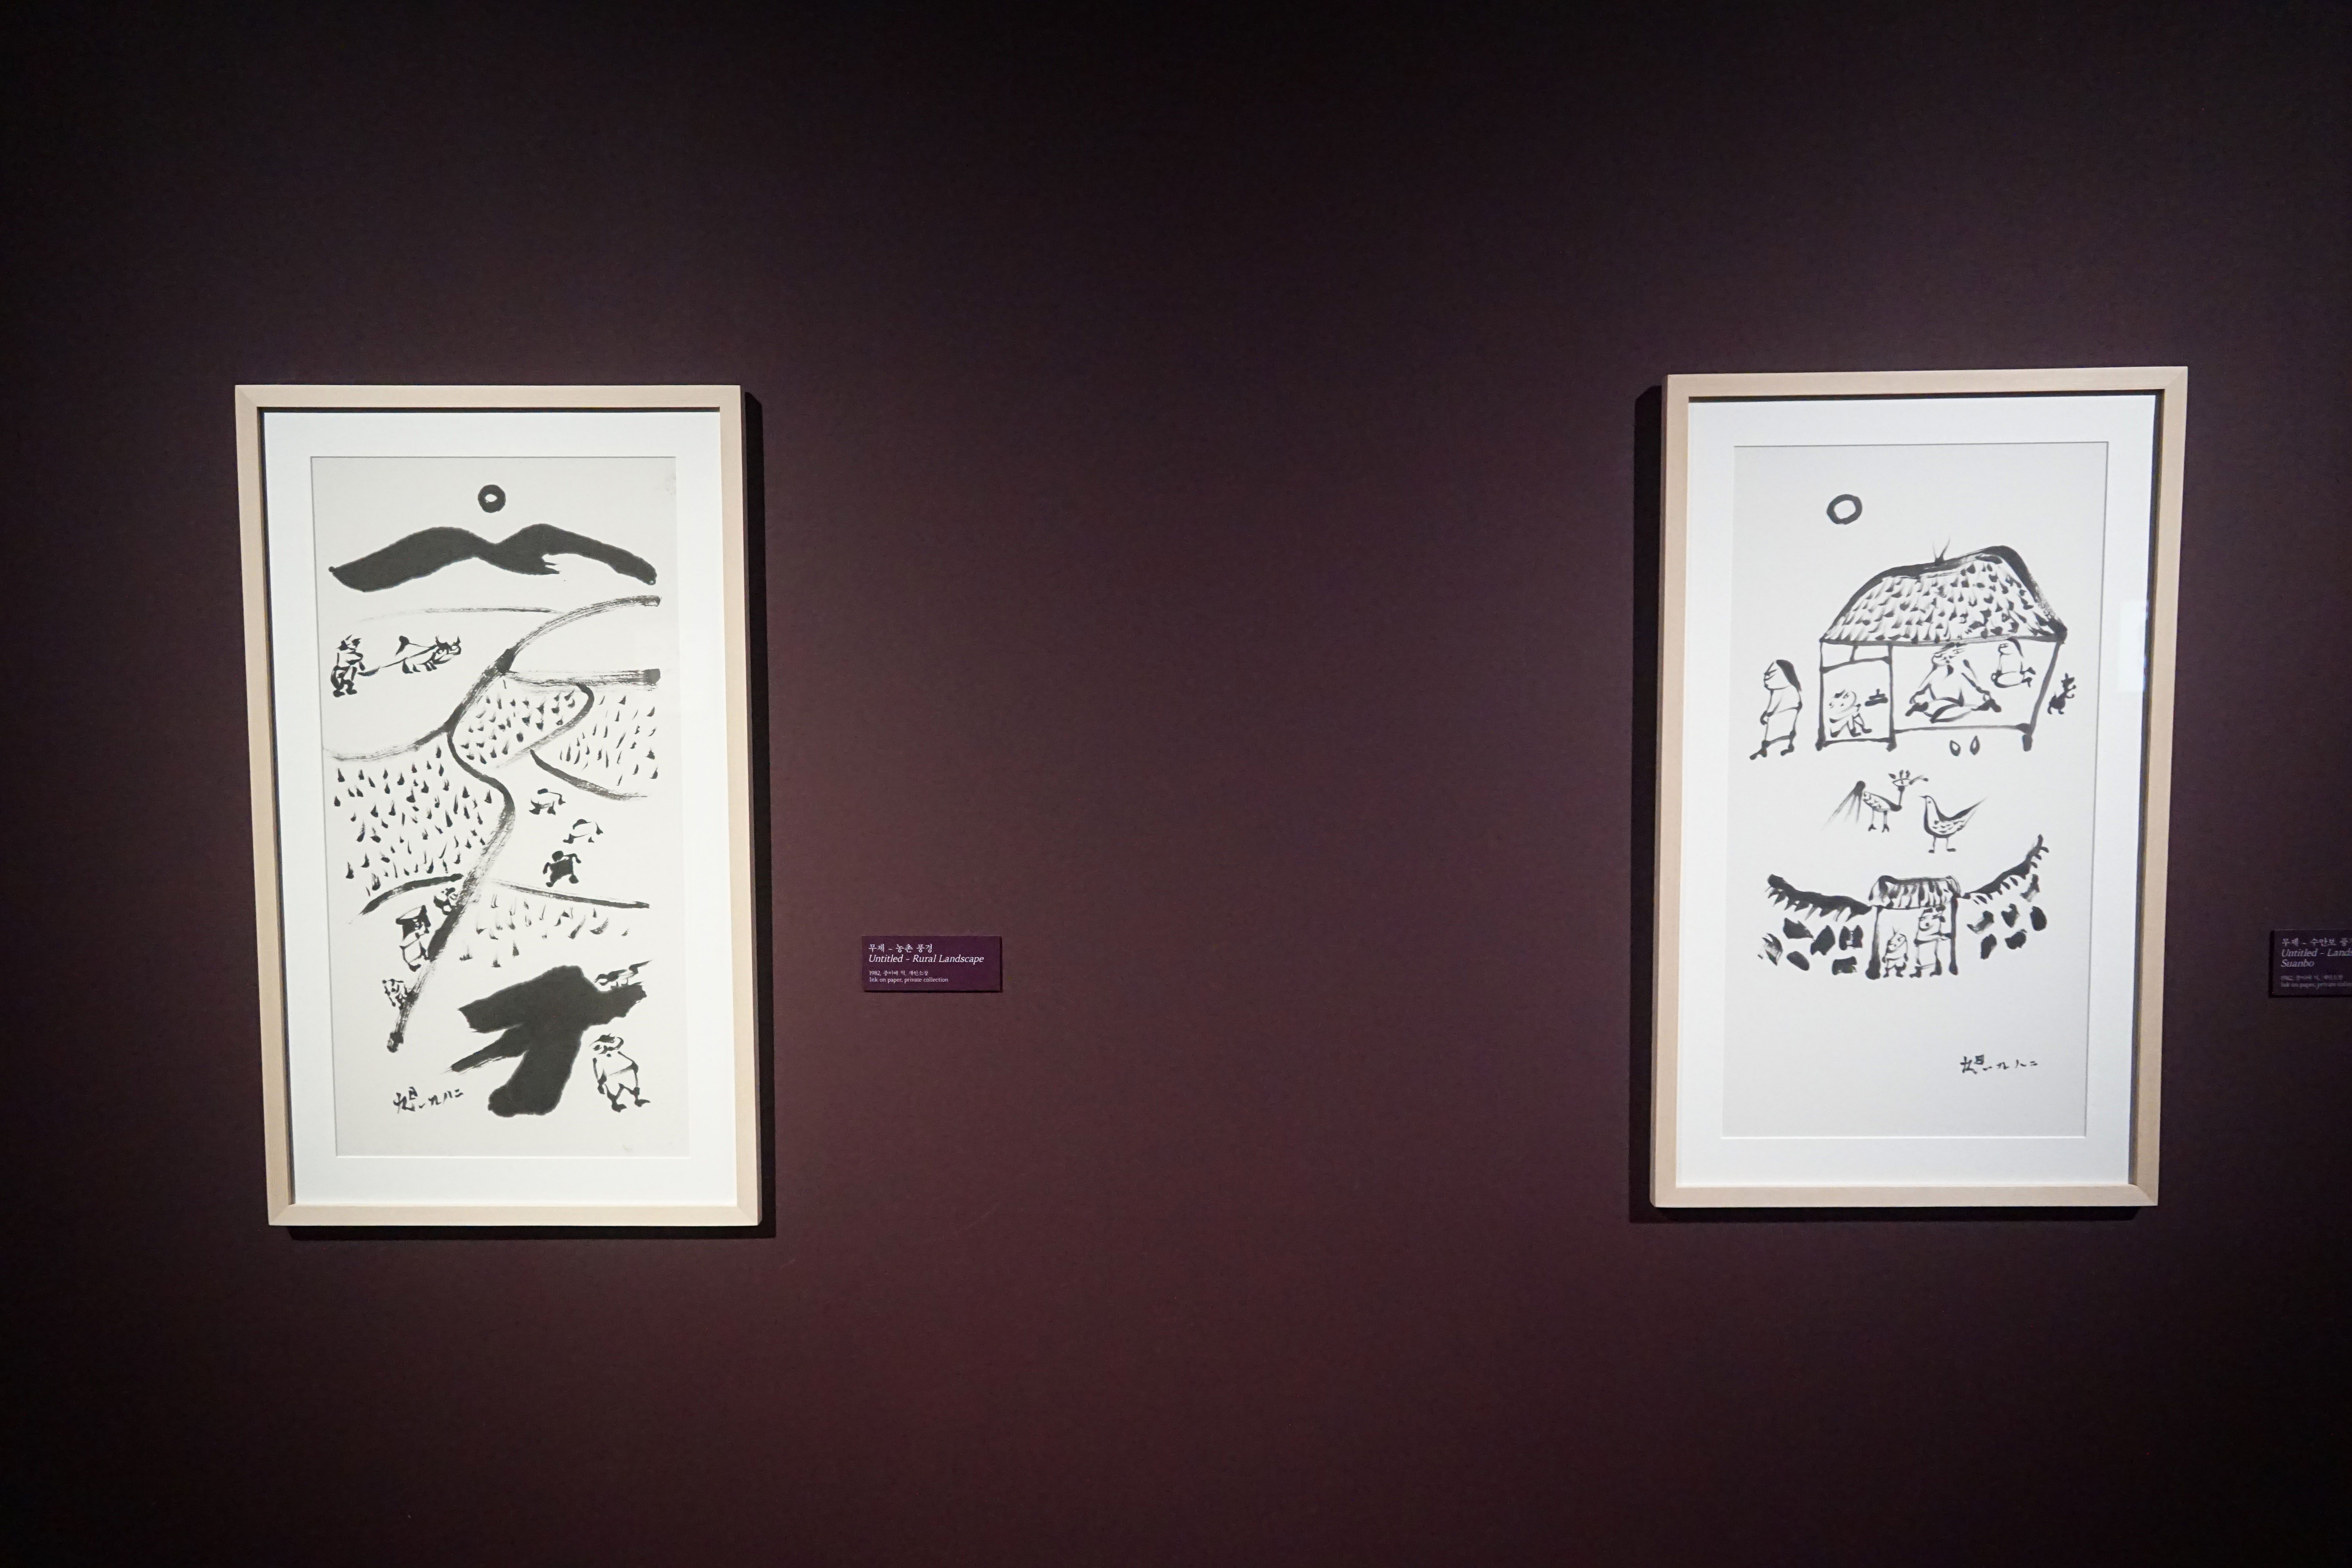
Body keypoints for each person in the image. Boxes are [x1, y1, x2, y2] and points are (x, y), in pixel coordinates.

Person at [1752, 660, 1802, 759]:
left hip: (1784, 717)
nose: (1766, 680)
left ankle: (1787, 747)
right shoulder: (1778, 691)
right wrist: (1767, 713)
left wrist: (1769, 714)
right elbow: (1772, 705)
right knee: (1774, 731)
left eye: (1770, 675)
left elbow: (1792, 704)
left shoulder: (1789, 690)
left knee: (1782, 731)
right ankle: (1765, 749)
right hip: (1778, 717)